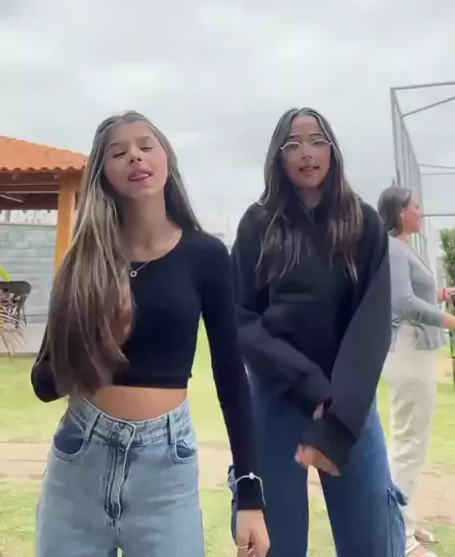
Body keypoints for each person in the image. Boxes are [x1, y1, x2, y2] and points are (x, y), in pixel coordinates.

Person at [31, 110, 269, 557]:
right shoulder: (82, 260)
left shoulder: (206, 255)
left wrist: (250, 494)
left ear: (166, 159)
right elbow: (43, 383)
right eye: (118, 152)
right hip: (80, 461)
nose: (135, 157)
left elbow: (231, 378)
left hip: (167, 469)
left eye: (145, 146)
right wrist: (100, 343)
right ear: (103, 173)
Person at [230, 107, 406, 557]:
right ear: (278, 157)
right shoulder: (258, 224)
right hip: (276, 398)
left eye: (316, 141)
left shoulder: (363, 222)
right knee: (276, 542)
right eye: (293, 144)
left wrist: (338, 408)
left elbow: (372, 322)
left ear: (332, 150)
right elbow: (239, 318)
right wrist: (307, 380)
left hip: (347, 407)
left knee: (370, 538)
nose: (306, 152)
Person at [378, 186, 455, 557]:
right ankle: (403, 537)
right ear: (400, 211)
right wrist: (449, 320)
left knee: (409, 441)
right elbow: (403, 302)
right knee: (409, 443)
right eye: (416, 206)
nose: (421, 212)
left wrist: (441, 295)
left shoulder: (404, 248)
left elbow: (416, 293)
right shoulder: (393, 248)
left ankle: (404, 517)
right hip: (407, 351)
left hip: (415, 352)